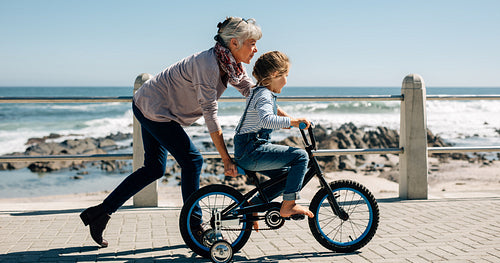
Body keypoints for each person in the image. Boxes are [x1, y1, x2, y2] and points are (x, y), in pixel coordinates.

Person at [80, 17, 261, 247]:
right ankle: (194, 226)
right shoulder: (208, 65)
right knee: (193, 161)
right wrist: (225, 159)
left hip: (153, 106)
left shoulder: (231, 65)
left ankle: (99, 214)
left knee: (154, 168)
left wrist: (284, 115)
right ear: (234, 43)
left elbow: (253, 94)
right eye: (252, 43)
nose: (255, 49)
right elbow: (210, 115)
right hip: (153, 108)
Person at [233, 51, 314, 223]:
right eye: (286, 75)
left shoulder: (259, 91)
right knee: (301, 156)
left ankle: (252, 205)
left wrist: (293, 121)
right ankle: (289, 205)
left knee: (288, 177)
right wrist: (293, 123)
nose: (287, 80)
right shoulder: (264, 95)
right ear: (274, 75)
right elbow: (266, 119)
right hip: (252, 149)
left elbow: (274, 111)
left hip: (247, 148)